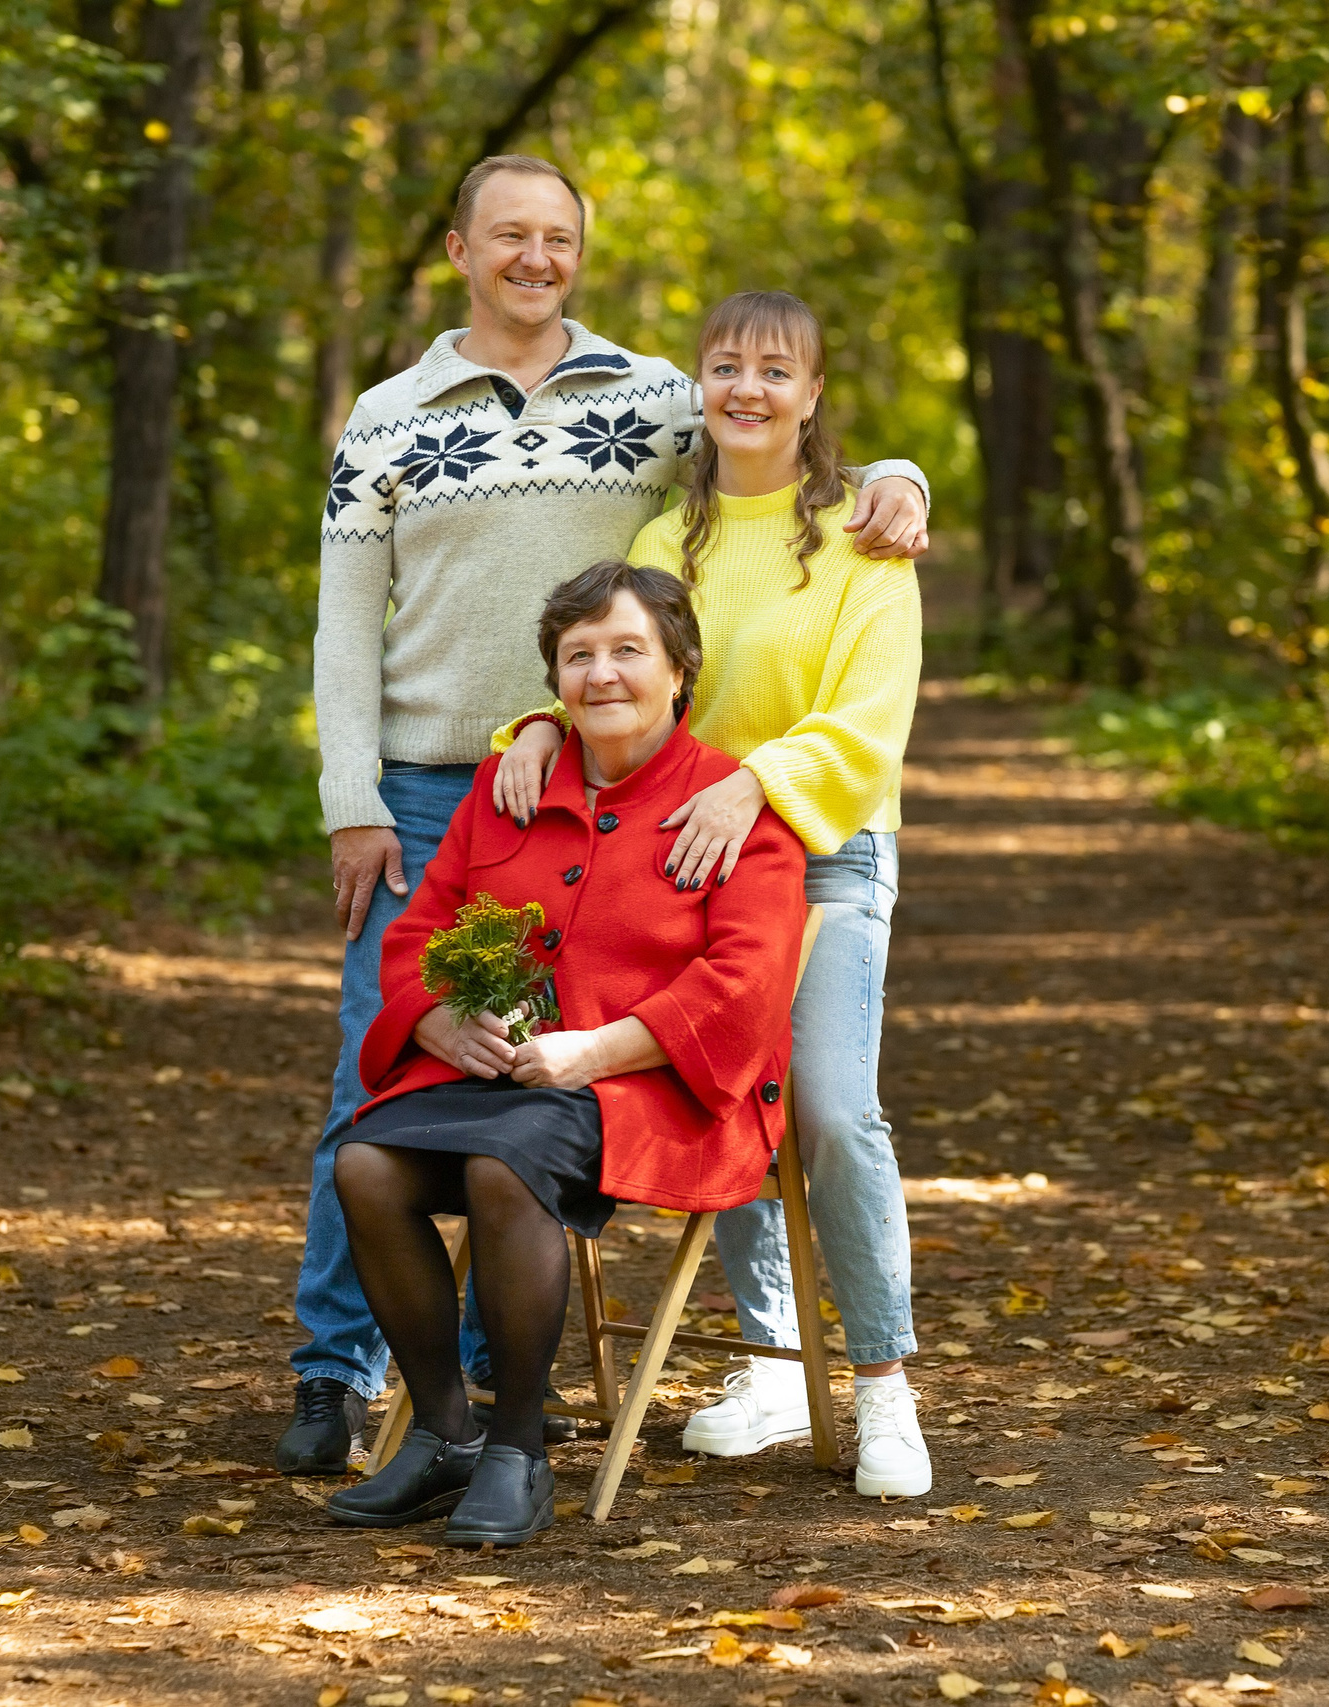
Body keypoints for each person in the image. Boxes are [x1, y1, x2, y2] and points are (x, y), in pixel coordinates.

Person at [281, 152, 930, 1475]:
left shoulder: (661, 404)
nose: (536, 255)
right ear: (457, 248)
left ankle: (525, 1370)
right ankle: (341, 1374)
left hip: (700, 810)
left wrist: (904, 473)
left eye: (559, 235)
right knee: (396, 1066)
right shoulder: (409, 418)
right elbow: (377, 621)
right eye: (507, 234)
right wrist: (388, 785)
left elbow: (791, 444)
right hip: (490, 789)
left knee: (728, 1082)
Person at [489, 291, 930, 1498]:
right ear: (700, 384)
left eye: (775, 370)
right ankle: (779, 1361)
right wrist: (536, 721)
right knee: (717, 1076)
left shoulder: (864, 534)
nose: (746, 389)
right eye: (725, 366)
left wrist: (760, 786)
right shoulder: (661, 533)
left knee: (834, 1110)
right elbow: (622, 659)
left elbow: (869, 717)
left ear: (812, 393)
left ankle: (883, 1384)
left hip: (825, 850)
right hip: (683, 850)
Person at [324, 560, 807, 1545]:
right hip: (500, 1073)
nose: (601, 675)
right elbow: (419, 930)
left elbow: (744, 984)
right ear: (555, 680)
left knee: (505, 1172)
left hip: (657, 1086)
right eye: (578, 656)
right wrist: (432, 1022)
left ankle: (517, 1451)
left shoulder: (731, 805)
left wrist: (595, 1052)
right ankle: (445, 1434)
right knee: (366, 1166)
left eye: (628, 650)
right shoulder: (515, 787)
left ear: (680, 669)